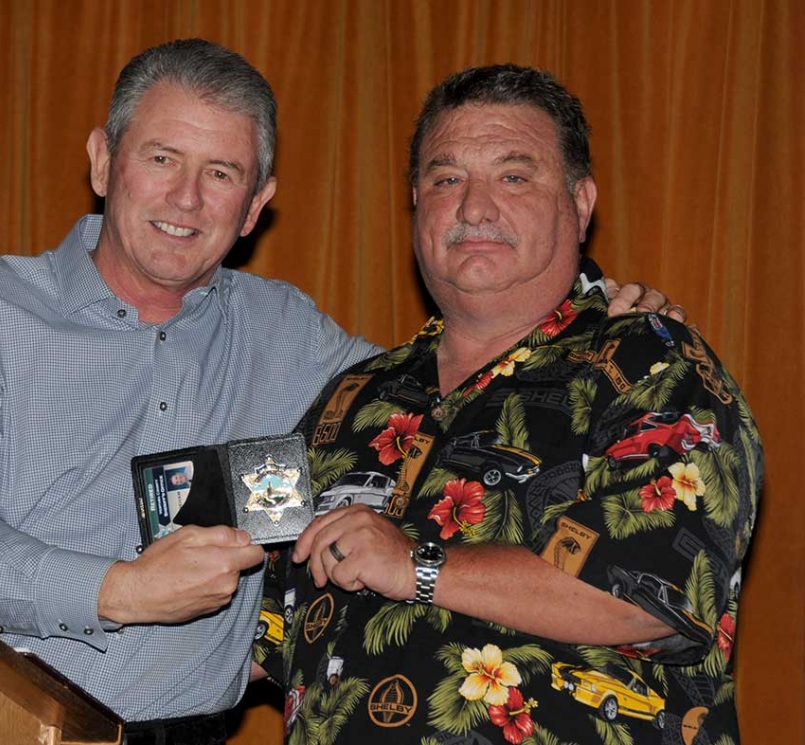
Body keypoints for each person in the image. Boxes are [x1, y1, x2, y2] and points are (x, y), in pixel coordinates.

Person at [0, 39, 678, 744]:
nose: (187, 199)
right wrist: (116, 589)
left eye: (221, 173)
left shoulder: (295, 338)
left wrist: (595, 309)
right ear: (103, 161)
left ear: (256, 205)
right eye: (161, 159)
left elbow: (467, 373)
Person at [254, 64, 761, 745]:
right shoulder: (350, 397)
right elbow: (256, 631)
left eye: (514, 176)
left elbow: (652, 595)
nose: (474, 208)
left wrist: (417, 565)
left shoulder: (652, 363)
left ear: (580, 203)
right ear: (415, 201)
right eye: (446, 178)